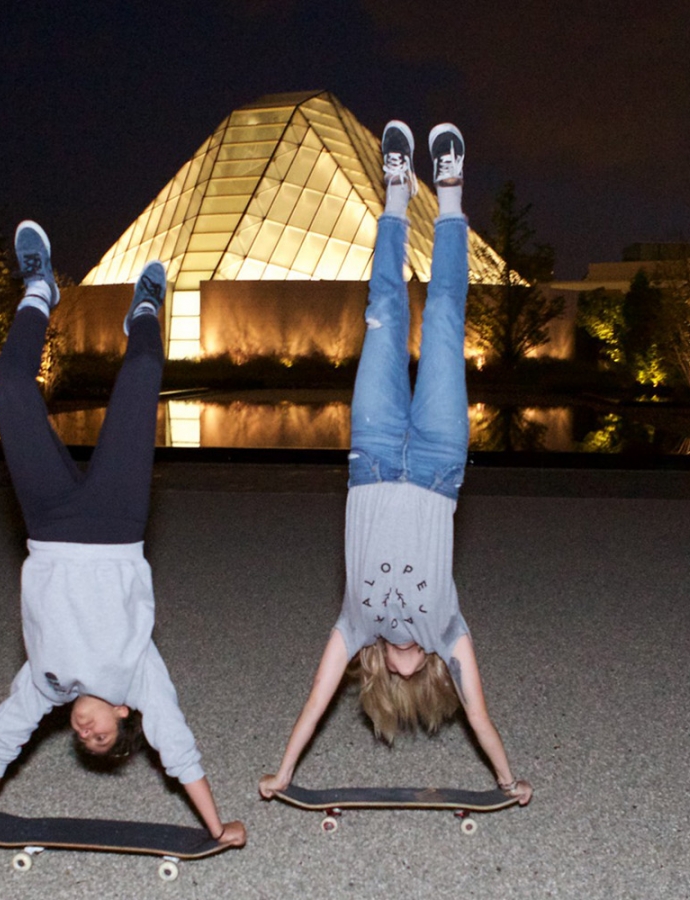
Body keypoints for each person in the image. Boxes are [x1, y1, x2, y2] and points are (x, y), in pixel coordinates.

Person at [259, 122, 533, 806]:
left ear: (380, 673)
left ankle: (392, 193)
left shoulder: (355, 627)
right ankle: (449, 190)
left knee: (382, 307)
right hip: (440, 462)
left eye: (398, 675)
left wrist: (284, 771)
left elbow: (317, 697)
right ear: (437, 672)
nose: (409, 664)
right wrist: (507, 779)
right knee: (442, 314)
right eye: (422, 676)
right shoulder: (449, 631)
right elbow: (481, 717)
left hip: (373, 455)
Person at [0, 221, 247, 849]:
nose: (87, 735)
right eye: (103, 738)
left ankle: (38, 291)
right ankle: (144, 310)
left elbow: (4, 734)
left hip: (50, 525)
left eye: (82, 742)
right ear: (121, 715)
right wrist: (216, 826)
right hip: (116, 526)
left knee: (10, 391)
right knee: (141, 375)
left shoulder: (46, 684)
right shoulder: (135, 678)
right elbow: (176, 745)